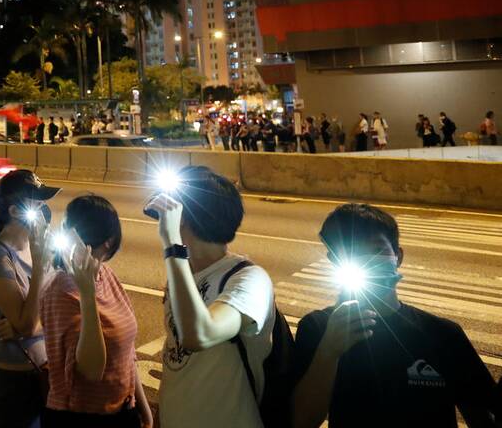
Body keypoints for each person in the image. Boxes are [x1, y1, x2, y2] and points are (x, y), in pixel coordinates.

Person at [290, 203, 497, 427]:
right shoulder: (318, 328)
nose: (367, 262)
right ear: (334, 261)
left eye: (378, 250)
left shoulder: (443, 334)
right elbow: (302, 422)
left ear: (398, 257)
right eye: (351, 253)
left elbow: (483, 417)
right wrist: (328, 352)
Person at [145, 165, 276, 428]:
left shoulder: (250, 279)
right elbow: (175, 357)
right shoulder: (183, 273)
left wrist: (172, 244)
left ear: (182, 218)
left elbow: (200, 335)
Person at [41, 195, 152, 427]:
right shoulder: (61, 289)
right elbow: (92, 370)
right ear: (110, 241)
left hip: (123, 409)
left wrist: (142, 406)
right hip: (80, 416)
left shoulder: (106, 275)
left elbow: (127, 353)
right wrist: (87, 294)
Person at [0, 169, 58, 428]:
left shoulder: (42, 249)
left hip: (43, 376)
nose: (44, 210)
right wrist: (40, 265)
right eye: (37, 203)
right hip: (9, 388)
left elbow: (64, 312)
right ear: (13, 211)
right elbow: (26, 323)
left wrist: (31, 327)